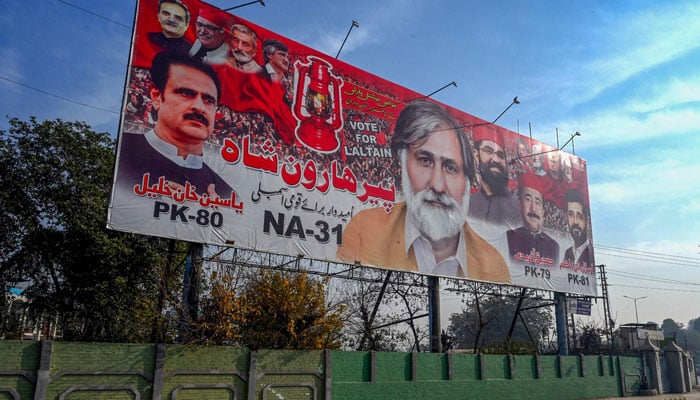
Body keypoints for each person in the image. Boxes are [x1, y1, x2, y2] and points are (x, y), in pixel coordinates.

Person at [336, 100, 510, 282]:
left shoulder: (493, 265)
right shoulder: (364, 232)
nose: (437, 185)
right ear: (403, 164)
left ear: (467, 182)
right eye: (425, 161)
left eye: (450, 168)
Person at [116, 52, 231, 199]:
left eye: (208, 100)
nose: (199, 107)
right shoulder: (123, 154)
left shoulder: (225, 194)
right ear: (157, 97)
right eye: (186, 93)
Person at [468, 125, 520, 226]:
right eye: (488, 151)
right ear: (476, 155)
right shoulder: (468, 204)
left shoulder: (516, 206)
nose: (495, 159)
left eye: (500, 155)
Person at [506, 173, 559, 267]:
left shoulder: (553, 246)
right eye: (527, 200)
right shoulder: (508, 238)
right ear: (520, 204)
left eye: (537, 202)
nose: (533, 208)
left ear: (543, 210)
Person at [562, 188, 594, 270]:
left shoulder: (590, 253)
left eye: (579, 216)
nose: (575, 221)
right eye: (571, 215)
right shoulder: (568, 253)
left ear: (586, 219)